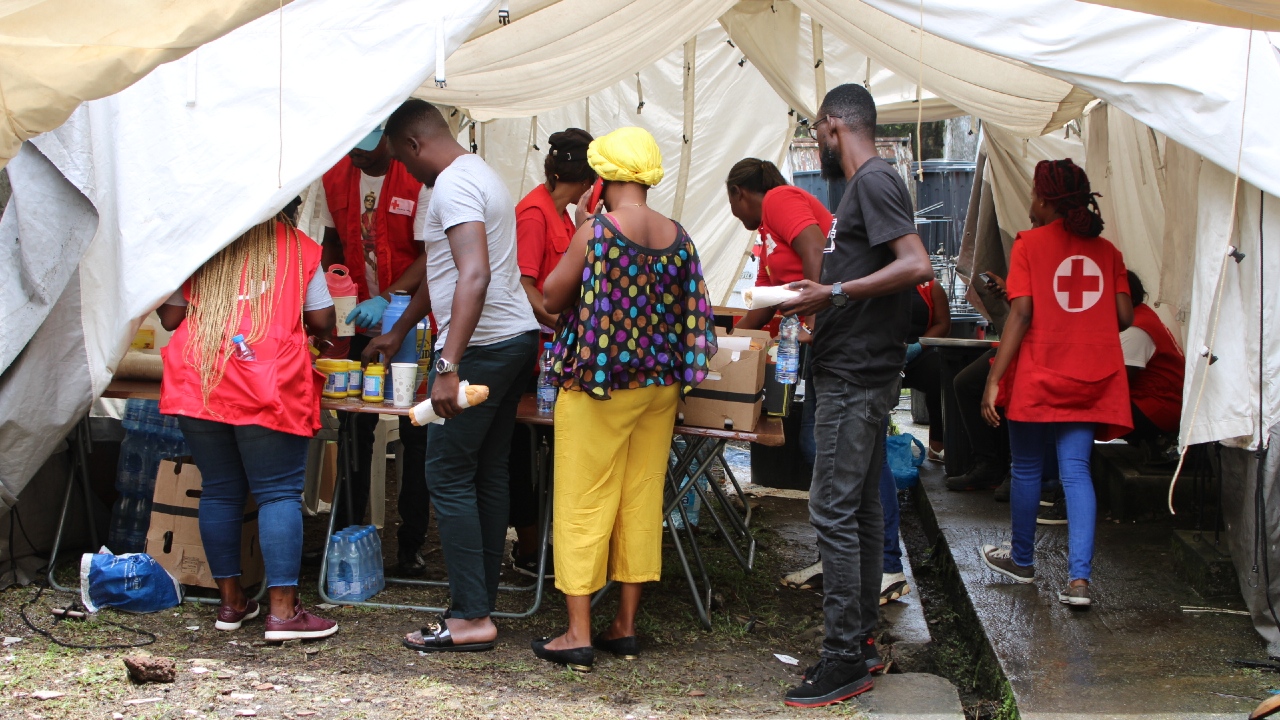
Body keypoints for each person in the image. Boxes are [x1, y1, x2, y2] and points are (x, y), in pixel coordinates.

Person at [529, 127, 717, 673]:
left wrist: (582, 231)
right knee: (639, 498)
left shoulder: (598, 230)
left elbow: (552, 297)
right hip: (659, 389)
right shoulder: (678, 235)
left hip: (600, 387)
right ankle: (625, 626)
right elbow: (693, 313)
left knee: (583, 499)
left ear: (602, 176)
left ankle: (577, 632)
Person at [777, 84, 934, 708]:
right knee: (862, 510)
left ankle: (843, 656)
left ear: (834, 125)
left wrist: (834, 296)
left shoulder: (873, 180)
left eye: (816, 128)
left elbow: (917, 264)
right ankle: (862, 640)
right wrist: (827, 294)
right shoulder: (863, 188)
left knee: (833, 511)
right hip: (854, 367)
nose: (816, 140)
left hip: (855, 377)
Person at [368, 99, 539, 653]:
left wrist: (447, 365)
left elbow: (475, 273)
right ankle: (478, 605)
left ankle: (469, 616)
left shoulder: (451, 187)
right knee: (485, 473)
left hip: (484, 346)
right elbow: (445, 271)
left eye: (401, 157)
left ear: (414, 144)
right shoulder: (477, 173)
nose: (405, 170)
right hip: (514, 338)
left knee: (445, 471)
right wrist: (400, 331)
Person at [157, 203, 339, 641]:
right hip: (266, 379)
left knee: (220, 487)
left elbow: (169, 317)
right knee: (278, 492)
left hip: (199, 377)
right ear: (291, 206)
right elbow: (321, 320)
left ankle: (232, 602)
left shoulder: (205, 242)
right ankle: (282, 612)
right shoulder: (300, 249)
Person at [979, 158, 1133, 609]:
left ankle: (1023, 562)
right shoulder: (1109, 253)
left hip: (1041, 373)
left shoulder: (1029, 245)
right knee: (1076, 471)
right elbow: (1124, 316)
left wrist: (995, 378)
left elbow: (1021, 314)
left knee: (1026, 468)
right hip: (1092, 376)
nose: (1029, 204)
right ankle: (1079, 581)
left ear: (1045, 200)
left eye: (1032, 195)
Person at [317, 124, 432, 576]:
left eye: (366, 152)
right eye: (352, 152)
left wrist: (388, 297)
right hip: (355, 321)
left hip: (410, 318)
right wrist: (332, 284)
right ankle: (346, 532)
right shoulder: (334, 175)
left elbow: (430, 253)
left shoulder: (416, 177)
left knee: (416, 429)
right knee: (353, 428)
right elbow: (332, 242)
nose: (358, 160)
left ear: (389, 138)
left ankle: (411, 544)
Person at [724, 157, 832, 594]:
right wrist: (725, 343)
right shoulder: (768, 235)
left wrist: (815, 320)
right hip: (816, 340)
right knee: (817, 445)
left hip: (832, 334)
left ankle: (877, 561)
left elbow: (815, 246)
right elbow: (767, 302)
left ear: (740, 193)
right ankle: (835, 558)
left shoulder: (781, 199)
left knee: (833, 446)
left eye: (731, 203)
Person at [507, 128, 597, 578]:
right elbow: (523, 285)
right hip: (535, 352)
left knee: (555, 448)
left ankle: (552, 543)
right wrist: (562, 326)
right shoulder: (534, 214)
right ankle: (527, 546)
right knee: (525, 450)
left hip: (558, 354)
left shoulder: (564, 214)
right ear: (586, 178)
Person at [1119, 270, 1184, 448]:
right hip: (1158, 403)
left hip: (1157, 409)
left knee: (1076, 417)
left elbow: (1118, 384)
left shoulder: (1135, 329)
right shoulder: (1141, 314)